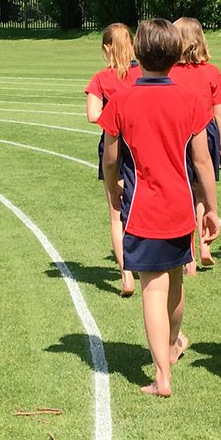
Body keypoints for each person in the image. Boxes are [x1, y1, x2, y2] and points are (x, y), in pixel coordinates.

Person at [99, 18, 219, 398]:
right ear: (175, 54)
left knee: (153, 289)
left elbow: (110, 158)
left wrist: (112, 190)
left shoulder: (121, 100)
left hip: (143, 207)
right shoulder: (192, 100)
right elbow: (202, 162)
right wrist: (210, 208)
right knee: (176, 284)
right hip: (180, 206)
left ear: (138, 52)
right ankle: (170, 347)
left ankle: (162, 376)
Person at [169, 16, 221, 270]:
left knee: (184, 191)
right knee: (203, 190)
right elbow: (220, 113)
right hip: (207, 132)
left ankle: (189, 255)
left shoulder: (170, 72)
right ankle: (205, 243)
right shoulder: (211, 72)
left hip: (179, 134)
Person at [85, 22, 136, 297]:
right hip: (143, 144)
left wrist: (113, 114)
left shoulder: (101, 79)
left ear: (106, 47)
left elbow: (93, 114)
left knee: (116, 213)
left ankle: (126, 275)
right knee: (141, 204)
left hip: (114, 144)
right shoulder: (143, 73)